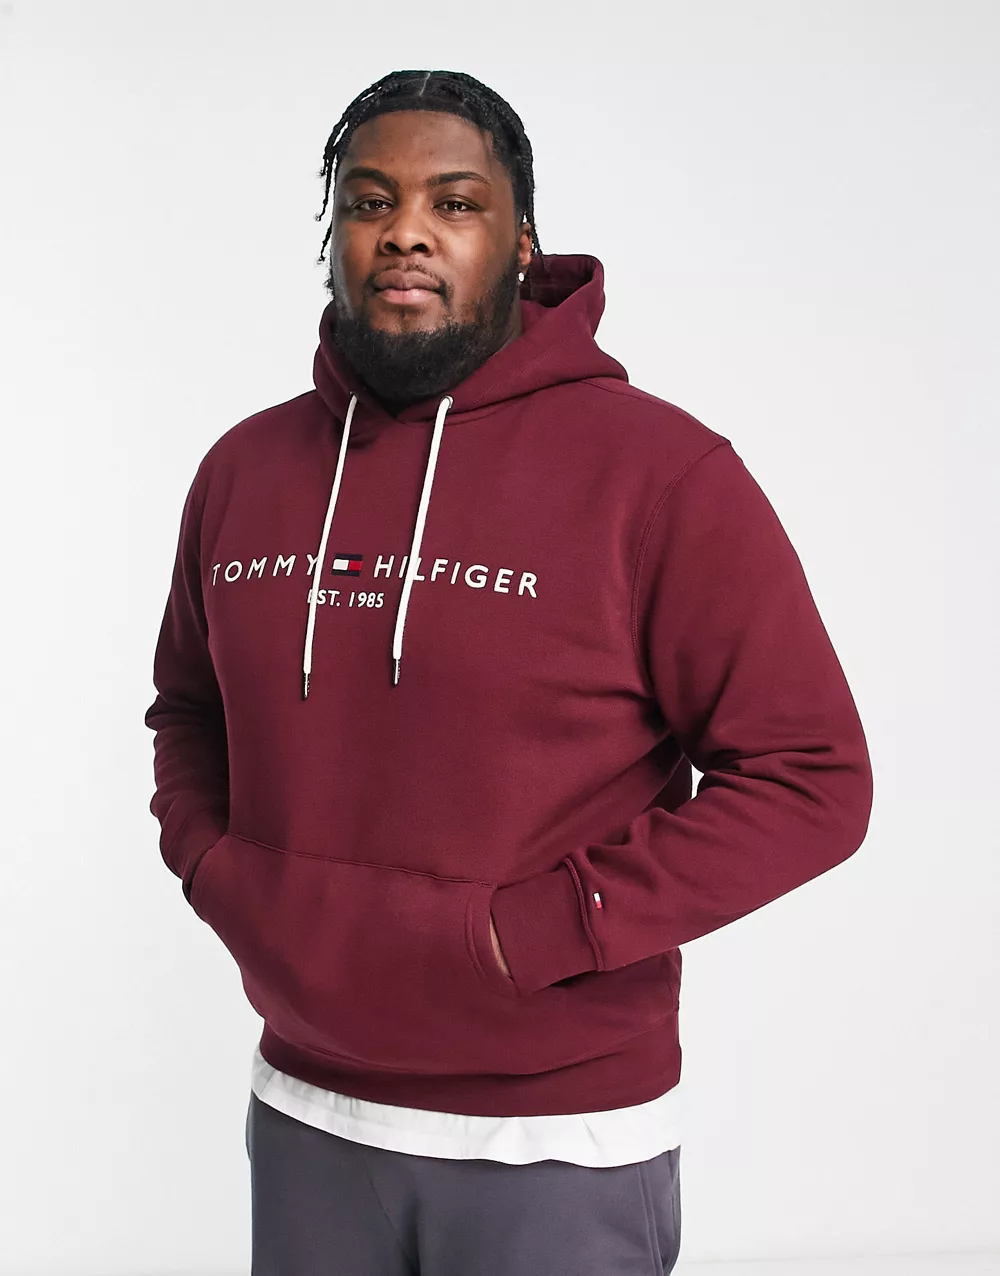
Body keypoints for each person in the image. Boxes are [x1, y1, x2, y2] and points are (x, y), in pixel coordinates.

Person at [144, 68, 874, 1275]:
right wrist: (220, 872)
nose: (406, 231)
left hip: (558, 1140)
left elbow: (812, 778)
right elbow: (186, 706)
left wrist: (535, 931)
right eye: (369, 201)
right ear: (334, 235)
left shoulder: (660, 475)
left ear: (521, 241)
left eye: (454, 201)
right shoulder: (245, 470)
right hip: (306, 1108)